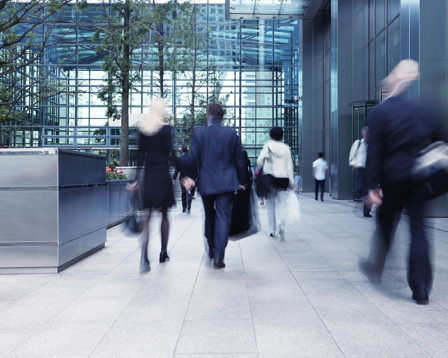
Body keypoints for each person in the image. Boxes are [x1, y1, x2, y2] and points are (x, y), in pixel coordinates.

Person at [363, 59, 443, 305]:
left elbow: (375, 152)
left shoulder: (381, 112)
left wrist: (372, 187)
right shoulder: (422, 111)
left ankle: (377, 264)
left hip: (391, 178)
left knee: (386, 222)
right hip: (418, 178)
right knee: (419, 230)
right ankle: (421, 289)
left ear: (393, 82)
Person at [127, 98, 193, 273]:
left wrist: (135, 179)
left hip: (149, 174)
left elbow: (140, 156)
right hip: (163, 174)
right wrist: (184, 175)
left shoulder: (143, 128)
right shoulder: (165, 129)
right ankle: (163, 252)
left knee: (147, 216)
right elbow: (171, 154)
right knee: (164, 214)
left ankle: (144, 257)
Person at [187, 102, 246, 269]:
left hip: (207, 184)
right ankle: (219, 253)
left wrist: (190, 176)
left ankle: (211, 247)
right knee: (223, 217)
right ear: (222, 116)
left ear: (208, 114)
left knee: (209, 216)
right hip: (227, 183)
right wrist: (243, 181)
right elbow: (239, 159)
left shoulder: (199, 135)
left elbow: (193, 159)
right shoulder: (232, 134)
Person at [257, 127, 294, 241]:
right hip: (282, 179)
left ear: (271, 135)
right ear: (282, 136)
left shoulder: (267, 146)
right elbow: (289, 166)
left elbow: (259, 161)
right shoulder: (286, 148)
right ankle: (281, 223)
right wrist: (291, 181)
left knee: (270, 205)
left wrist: (266, 159)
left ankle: (272, 230)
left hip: (270, 179)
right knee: (281, 204)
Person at [349, 127, 372, 217]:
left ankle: (366, 212)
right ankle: (360, 194)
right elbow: (352, 155)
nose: (366, 135)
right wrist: (353, 164)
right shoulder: (358, 143)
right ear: (363, 134)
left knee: (368, 191)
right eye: (365, 134)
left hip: (369, 170)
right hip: (359, 168)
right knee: (360, 187)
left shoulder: (372, 145)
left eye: (368, 134)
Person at [172, 144, 197, 214]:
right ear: (187, 150)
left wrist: (173, 178)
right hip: (190, 177)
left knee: (183, 193)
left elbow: (177, 169)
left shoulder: (180, 159)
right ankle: (189, 208)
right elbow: (194, 168)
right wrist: (195, 177)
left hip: (183, 178)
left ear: (181, 151)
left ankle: (184, 208)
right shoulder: (191, 158)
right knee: (189, 192)